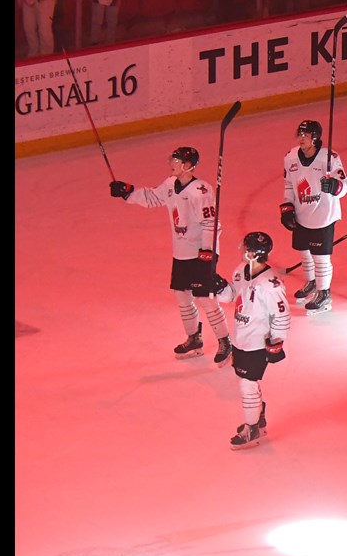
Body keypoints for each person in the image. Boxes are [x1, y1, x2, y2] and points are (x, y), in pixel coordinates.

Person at [109, 147, 233, 366]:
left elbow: (212, 224)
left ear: (187, 166)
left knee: (205, 298)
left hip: (200, 254)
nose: (172, 163)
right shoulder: (169, 184)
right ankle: (194, 338)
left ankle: (225, 341)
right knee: (182, 295)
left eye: (176, 160)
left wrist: (207, 254)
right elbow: (151, 198)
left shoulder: (201, 191)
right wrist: (127, 191)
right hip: (181, 253)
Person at [211, 231, 291, 450]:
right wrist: (218, 286)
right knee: (248, 382)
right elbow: (230, 297)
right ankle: (259, 417)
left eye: (245, 248)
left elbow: (282, 314)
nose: (242, 251)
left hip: (257, 341)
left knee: (247, 384)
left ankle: (252, 427)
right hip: (241, 339)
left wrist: (277, 341)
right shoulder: (240, 271)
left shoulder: (270, 284)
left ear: (254, 253)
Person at [279, 119, 347, 315]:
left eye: (306, 135)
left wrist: (335, 186)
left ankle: (324, 293)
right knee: (304, 252)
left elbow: (346, 184)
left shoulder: (329, 158)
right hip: (301, 213)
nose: (301, 138)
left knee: (321, 258)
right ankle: (312, 282)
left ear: (315, 137)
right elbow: (288, 184)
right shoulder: (291, 157)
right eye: (300, 134)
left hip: (323, 216)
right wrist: (287, 207)